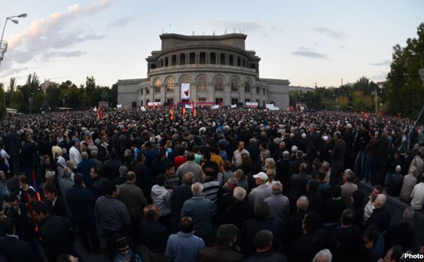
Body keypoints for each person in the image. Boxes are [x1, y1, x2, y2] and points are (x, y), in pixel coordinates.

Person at [66, 173, 102, 254]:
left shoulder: (69, 192)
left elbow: (69, 203)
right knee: (93, 234)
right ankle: (97, 249)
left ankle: (87, 249)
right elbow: (93, 200)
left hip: (78, 217)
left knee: (83, 234)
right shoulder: (86, 191)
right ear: (82, 181)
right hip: (88, 216)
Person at [119, 171, 146, 244]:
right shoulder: (137, 190)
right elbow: (143, 201)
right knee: (136, 228)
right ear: (134, 178)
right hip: (135, 213)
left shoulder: (120, 187)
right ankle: (137, 242)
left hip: (124, 212)